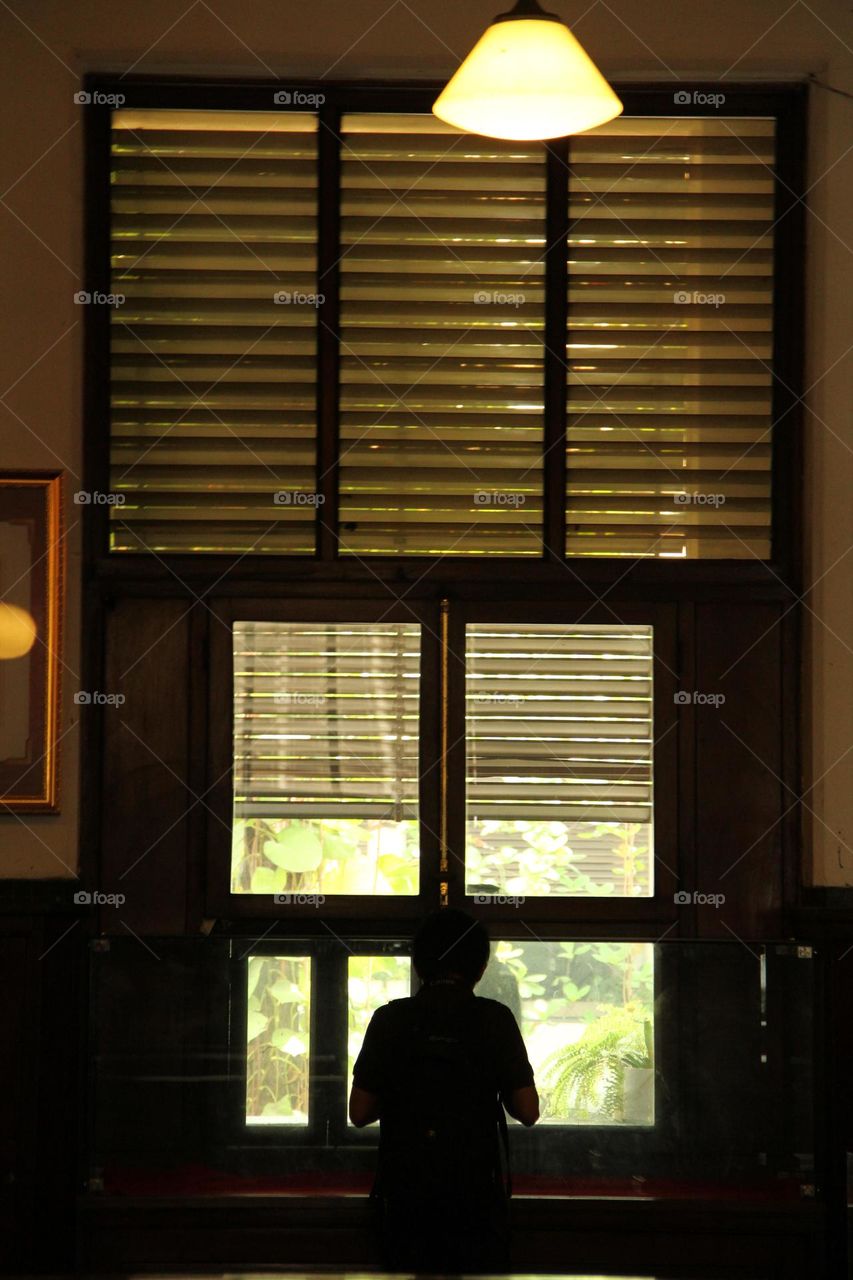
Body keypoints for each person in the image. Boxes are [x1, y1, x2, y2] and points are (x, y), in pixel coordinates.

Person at [349, 909, 539, 1272]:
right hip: (475, 1194)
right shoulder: (494, 1019)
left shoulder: (391, 1019)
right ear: (480, 968)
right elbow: (527, 1111)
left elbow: (359, 1113)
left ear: (419, 966)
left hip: (406, 1194)